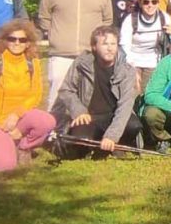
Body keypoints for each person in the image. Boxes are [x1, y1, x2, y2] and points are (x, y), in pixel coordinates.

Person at [0, 19, 55, 171]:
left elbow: (35, 94)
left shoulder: (33, 63)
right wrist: (5, 126)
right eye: (12, 39)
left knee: (46, 121)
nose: (17, 43)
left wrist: (17, 115)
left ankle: (24, 147)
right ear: (5, 41)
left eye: (22, 40)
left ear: (28, 43)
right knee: (4, 166)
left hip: (19, 117)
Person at [37, 0, 114, 108]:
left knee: (89, 98)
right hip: (61, 56)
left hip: (90, 56)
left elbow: (107, 21)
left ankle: (82, 131)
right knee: (57, 99)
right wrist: (56, 37)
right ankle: (55, 131)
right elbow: (44, 18)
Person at [52, 26, 141, 157]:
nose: (110, 48)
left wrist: (112, 136)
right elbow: (66, 90)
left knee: (134, 125)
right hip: (89, 117)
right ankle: (95, 145)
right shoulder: (81, 64)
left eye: (113, 44)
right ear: (94, 46)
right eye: (105, 44)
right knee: (80, 141)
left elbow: (125, 106)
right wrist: (79, 111)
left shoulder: (127, 71)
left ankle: (116, 144)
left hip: (114, 116)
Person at [120, 0, 171, 94]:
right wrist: (132, 68)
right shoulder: (131, 20)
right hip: (132, 59)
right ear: (140, 3)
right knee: (133, 93)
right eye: (146, 2)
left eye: (154, 2)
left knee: (148, 93)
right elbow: (124, 46)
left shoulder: (164, 18)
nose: (150, 5)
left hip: (153, 61)